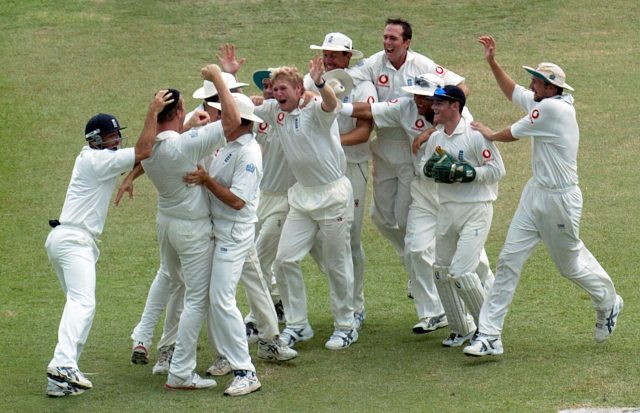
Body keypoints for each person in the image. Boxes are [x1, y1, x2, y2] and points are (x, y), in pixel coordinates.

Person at [463, 35, 622, 357]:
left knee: (569, 265)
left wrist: (490, 135)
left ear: (551, 88)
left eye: (536, 81)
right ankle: (489, 335)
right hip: (534, 194)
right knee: (508, 262)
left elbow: (511, 133)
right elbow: (514, 93)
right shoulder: (543, 101)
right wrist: (492, 62)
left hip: (561, 200)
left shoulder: (552, 109)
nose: (531, 85)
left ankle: (608, 302)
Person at [340, 75, 495, 342]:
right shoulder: (404, 106)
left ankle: (491, 304)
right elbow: (368, 110)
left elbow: (461, 135)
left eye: (426, 98)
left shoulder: (460, 116)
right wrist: (325, 101)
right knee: (416, 248)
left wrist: (430, 132)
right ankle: (435, 311)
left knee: (471, 258)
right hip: (423, 187)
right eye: (417, 96)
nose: (421, 103)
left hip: (456, 193)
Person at [44, 90, 171, 397]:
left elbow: (140, 154)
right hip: (74, 240)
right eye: (112, 136)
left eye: (117, 135)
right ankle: (62, 364)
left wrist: (130, 178)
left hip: (68, 240)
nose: (117, 141)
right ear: (96, 139)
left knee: (80, 304)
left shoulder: (96, 158)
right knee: (83, 303)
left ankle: (60, 379)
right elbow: (144, 150)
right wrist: (152, 112)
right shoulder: (96, 159)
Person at [126, 70, 248, 375]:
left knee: (167, 275)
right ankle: (181, 369)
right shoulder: (187, 144)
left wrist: (153, 115)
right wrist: (220, 78)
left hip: (165, 224)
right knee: (196, 299)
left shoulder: (149, 145)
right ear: (180, 111)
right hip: (192, 230)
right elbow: (233, 121)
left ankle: (143, 335)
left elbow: (145, 148)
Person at [349, 18, 468, 286]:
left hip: (410, 146)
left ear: (407, 42)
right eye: (385, 37)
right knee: (380, 218)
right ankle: (413, 263)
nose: (387, 43)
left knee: (404, 219)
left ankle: (420, 274)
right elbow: (348, 79)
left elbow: (461, 88)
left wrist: (434, 125)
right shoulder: (373, 63)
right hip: (383, 143)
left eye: (393, 38)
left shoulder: (422, 65)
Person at [254, 58, 358, 350]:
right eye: (275, 89)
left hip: (334, 195)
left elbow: (330, 104)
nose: (278, 93)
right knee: (284, 259)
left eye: (283, 88)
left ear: (299, 89)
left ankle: (346, 326)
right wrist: (226, 78)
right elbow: (243, 107)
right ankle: (298, 325)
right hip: (301, 198)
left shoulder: (315, 108)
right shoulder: (275, 110)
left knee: (337, 263)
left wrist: (322, 83)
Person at [183, 92, 280, 396]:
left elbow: (238, 200)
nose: (218, 120)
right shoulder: (228, 146)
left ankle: (246, 371)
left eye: (224, 116)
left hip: (234, 233)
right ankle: (226, 356)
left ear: (239, 122)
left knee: (221, 299)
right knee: (215, 299)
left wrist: (206, 181)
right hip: (217, 230)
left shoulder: (249, 153)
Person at [421, 85, 505, 348]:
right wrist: (430, 169)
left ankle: (488, 332)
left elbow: (497, 170)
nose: (433, 107)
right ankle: (461, 328)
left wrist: (468, 173)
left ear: (455, 106)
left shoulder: (475, 135)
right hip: (446, 209)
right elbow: (427, 170)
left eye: (439, 103)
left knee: (462, 272)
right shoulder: (435, 139)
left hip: (475, 209)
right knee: (441, 270)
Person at [305, 32, 376, 329]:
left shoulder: (362, 86)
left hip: (352, 166)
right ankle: (343, 284)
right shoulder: (311, 81)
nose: (329, 58)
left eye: (335, 54)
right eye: (326, 52)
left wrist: (332, 143)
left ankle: (355, 305)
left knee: (351, 238)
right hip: (319, 171)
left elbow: (365, 131)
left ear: (348, 58)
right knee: (312, 235)